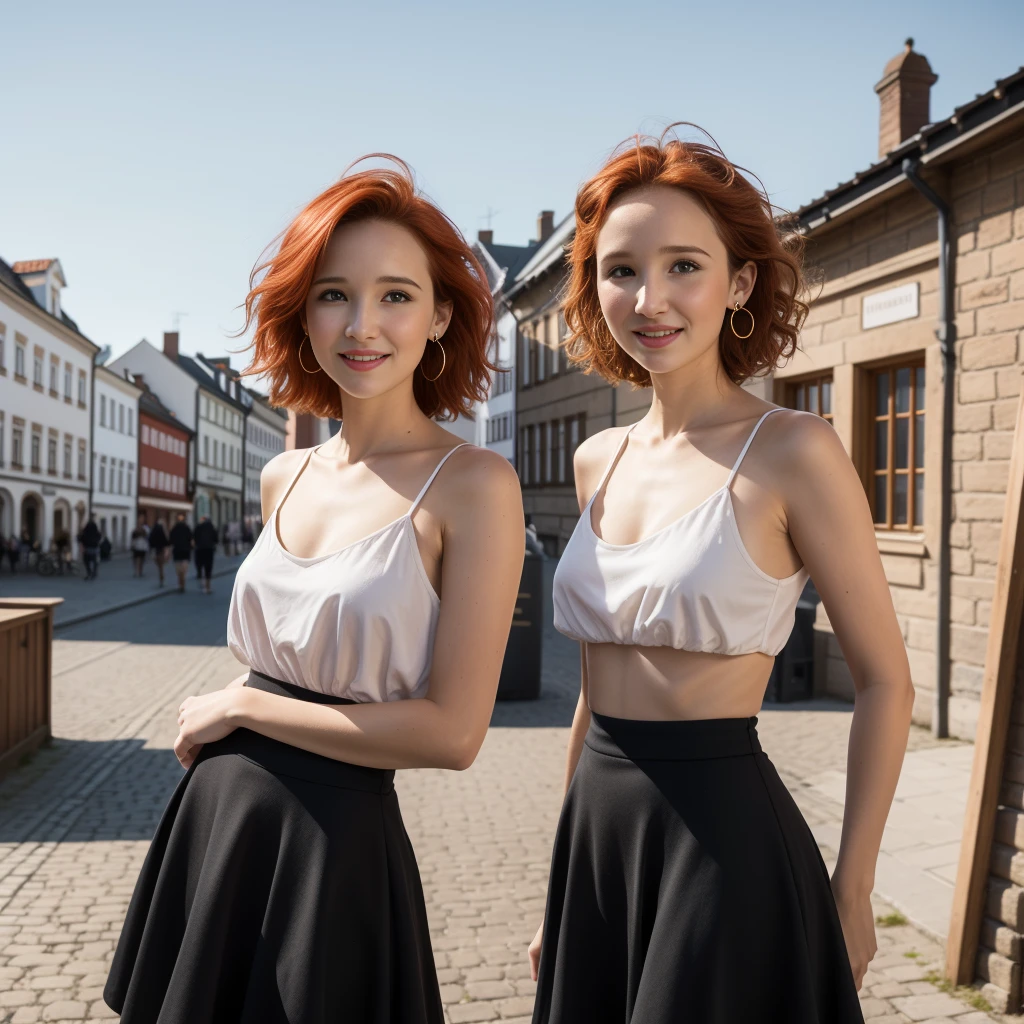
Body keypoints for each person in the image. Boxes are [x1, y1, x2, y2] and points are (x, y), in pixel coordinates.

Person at [103, 158, 524, 1023]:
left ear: (442, 313)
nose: (362, 324)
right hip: (215, 826)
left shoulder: (472, 483)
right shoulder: (282, 475)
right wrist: (242, 711)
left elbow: (453, 733)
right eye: (335, 294)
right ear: (305, 311)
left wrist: (244, 709)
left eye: (397, 296)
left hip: (332, 851)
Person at [527, 131, 914, 1023]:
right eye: (621, 271)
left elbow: (887, 680)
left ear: (739, 284)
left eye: (684, 266)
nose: (650, 299)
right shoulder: (597, 460)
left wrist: (853, 888)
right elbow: (592, 691)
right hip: (598, 824)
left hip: (721, 838)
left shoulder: (793, 451)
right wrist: (560, 873)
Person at [167, 512, 193, 592]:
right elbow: (191, 539)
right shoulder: (187, 528)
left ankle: (180, 584)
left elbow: (170, 541)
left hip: (178, 551)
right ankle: (182, 583)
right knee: (183, 569)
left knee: (179, 569)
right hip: (185, 551)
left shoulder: (174, 529)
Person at [193, 515, 218, 594]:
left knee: (200, 565)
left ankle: (201, 581)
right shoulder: (212, 528)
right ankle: (208, 586)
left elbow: (194, 537)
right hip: (209, 549)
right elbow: (216, 539)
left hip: (199, 549)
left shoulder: (198, 527)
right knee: (208, 567)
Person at [148, 518, 169, 586]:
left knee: (159, 565)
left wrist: (151, 547)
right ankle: (161, 578)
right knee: (161, 566)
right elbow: (166, 541)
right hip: (161, 549)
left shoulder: (154, 529)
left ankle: (161, 578)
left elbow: (150, 539)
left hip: (155, 549)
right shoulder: (162, 529)